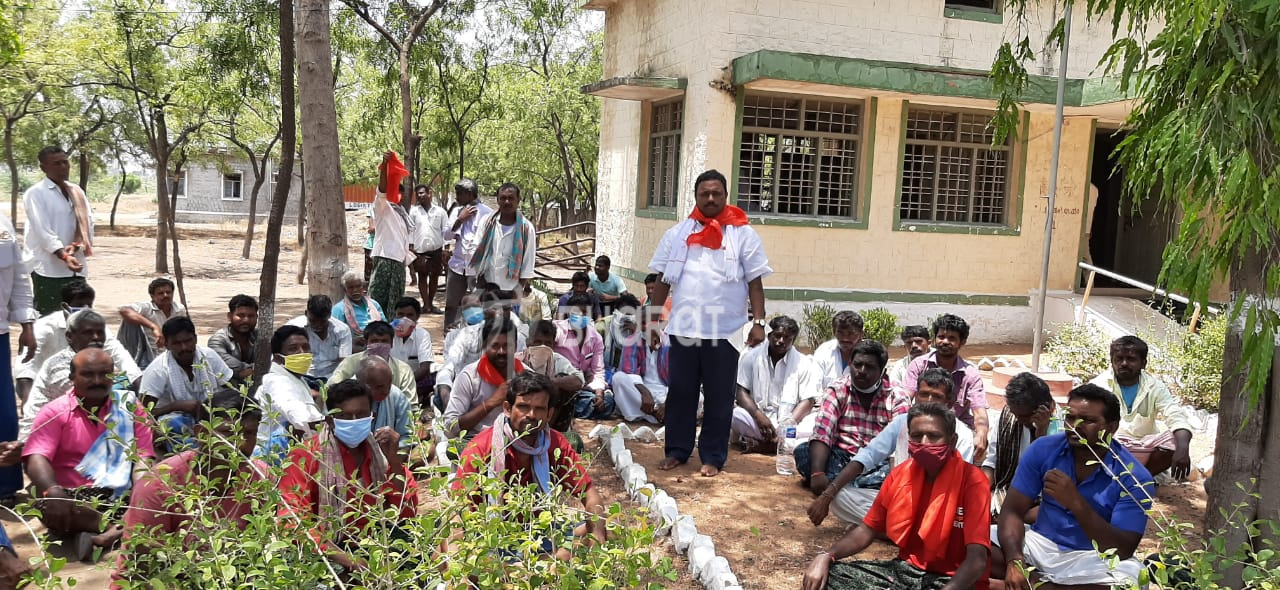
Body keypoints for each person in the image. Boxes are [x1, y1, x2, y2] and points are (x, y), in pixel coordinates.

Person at [648, 169, 771, 477]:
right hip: (684, 330)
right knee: (681, 393)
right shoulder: (677, 234)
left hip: (725, 331)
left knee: (719, 396)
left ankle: (713, 456)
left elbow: (755, 283)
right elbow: (662, 281)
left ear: (726, 196)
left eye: (717, 193)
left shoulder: (743, 234)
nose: (711, 198)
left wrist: (759, 322)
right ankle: (677, 450)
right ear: (696, 197)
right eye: (705, 194)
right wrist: (651, 322)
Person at [801, 403, 991, 590]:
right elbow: (866, 531)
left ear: (952, 441)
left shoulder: (973, 482)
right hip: (906, 571)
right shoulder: (900, 475)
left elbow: (977, 559)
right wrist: (826, 556)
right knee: (828, 578)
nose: (924, 443)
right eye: (916, 436)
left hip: (952, 580)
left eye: (933, 436)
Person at [991, 384, 1155, 590]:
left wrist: (1075, 502)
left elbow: (1122, 549)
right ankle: (1037, 584)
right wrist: (1014, 562)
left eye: (1088, 420)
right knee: (973, 543)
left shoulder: (1134, 477)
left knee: (1130, 582)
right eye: (1070, 417)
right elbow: (1012, 511)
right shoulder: (1043, 449)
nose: (1075, 426)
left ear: (1112, 427)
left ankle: (1028, 585)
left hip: (1091, 559)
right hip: (1038, 545)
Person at [111, 390, 267, 588]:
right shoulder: (160, 485)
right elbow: (141, 569)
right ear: (201, 434)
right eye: (229, 433)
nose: (241, 444)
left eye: (250, 433)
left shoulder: (261, 479)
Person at [451, 371, 607, 559]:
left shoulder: (554, 443)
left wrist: (597, 540)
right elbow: (456, 514)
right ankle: (538, 567)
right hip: (492, 539)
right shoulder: (481, 448)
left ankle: (538, 567)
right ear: (507, 409)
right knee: (453, 552)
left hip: (540, 534)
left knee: (606, 530)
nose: (531, 415)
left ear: (549, 414)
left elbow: (590, 495)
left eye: (539, 409)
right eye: (523, 407)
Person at [24, 348, 157, 561]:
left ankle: (104, 533)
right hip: (74, 498)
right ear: (71, 377)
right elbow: (37, 456)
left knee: (160, 493)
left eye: (104, 374)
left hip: (120, 494)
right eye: (87, 374)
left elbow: (143, 456)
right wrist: (53, 491)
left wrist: (141, 494)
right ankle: (118, 529)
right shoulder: (54, 411)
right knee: (46, 502)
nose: (97, 380)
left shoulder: (129, 407)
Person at [277, 379, 418, 574]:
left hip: (377, 541)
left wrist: (393, 458)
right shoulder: (307, 455)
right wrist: (349, 560)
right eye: (344, 416)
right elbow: (291, 521)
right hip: (328, 550)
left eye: (360, 415)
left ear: (372, 416)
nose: (353, 421)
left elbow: (406, 510)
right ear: (330, 420)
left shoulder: (380, 453)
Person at [807, 368, 976, 526]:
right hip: (902, 501)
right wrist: (827, 495)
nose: (929, 402)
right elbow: (868, 456)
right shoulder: (903, 422)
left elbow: (957, 485)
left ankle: (884, 529)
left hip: (939, 504)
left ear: (950, 401)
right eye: (924, 394)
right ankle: (893, 528)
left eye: (937, 396)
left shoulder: (962, 434)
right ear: (915, 396)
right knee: (840, 497)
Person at [795, 340, 910, 493]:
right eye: (857, 365)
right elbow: (823, 432)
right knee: (803, 452)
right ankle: (857, 486)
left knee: (898, 471)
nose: (861, 371)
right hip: (841, 457)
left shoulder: (897, 396)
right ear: (850, 363)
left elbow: (899, 447)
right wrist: (817, 473)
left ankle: (841, 485)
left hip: (877, 462)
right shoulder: (837, 390)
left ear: (883, 370)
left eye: (869, 367)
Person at [24, 309, 141, 438]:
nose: (96, 338)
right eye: (88, 333)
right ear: (69, 336)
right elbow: (90, 399)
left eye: (100, 333)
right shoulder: (60, 365)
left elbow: (130, 369)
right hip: (42, 434)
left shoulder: (96, 358)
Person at [1089, 335, 1193, 479]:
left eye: (1131, 359)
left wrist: (1183, 449)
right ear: (1112, 361)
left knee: (1176, 441)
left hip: (1144, 451)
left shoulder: (1155, 387)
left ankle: (1140, 479)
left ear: (1143, 363)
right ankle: (1114, 479)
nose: (1124, 363)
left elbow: (1175, 415)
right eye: (1119, 359)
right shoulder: (1099, 385)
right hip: (1109, 447)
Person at [903, 314, 990, 465]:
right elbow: (905, 398)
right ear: (935, 338)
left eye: (952, 338)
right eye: (941, 336)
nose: (945, 342)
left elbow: (979, 410)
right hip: (922, 422)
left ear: (962, 342)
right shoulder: (919, 365)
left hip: (955, 429)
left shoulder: (970, 374)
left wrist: (982, 433)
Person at [139, 317, 233, 452]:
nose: (184, 348)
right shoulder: (158, 369)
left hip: (210, 417)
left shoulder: (209, 356)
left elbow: (231, 390)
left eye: (188, 341)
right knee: (170, 422)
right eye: (177, 343)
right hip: (178, 425)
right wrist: (175, 406)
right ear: (166, 344)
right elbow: (142, 413)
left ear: (195, 338)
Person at [731, 315, 821, 451]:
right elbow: (741, 391)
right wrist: (758, 416)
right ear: (769, 335)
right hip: (759, 421)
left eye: (787, 338)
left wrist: (784, 427)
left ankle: (767, 444)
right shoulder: (751, 357)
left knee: (815, 421)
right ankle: (782, 445)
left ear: (793, 340)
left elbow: (808, 401)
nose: (781, 341)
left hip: (790, 423)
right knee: (735, 415)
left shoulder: (804, 363)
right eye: (777, 336)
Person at [22, 146, 94, 315]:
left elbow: (88, 223)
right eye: (56, 164)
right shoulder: (36, 193)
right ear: (43, 168)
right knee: (49, 319)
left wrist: (76, 246)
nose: (63, 167)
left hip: (76, 268)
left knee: (77, 319)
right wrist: (64, 255)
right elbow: (43, 231)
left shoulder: (76, 192)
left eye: (65, 162)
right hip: (48, 269)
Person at [15, 278, 96, 412]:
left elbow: (115, 353)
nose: (85, 310)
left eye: (89, 305)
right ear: (65, 306)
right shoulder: (44, 327)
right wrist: (27, 394)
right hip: (37, 385)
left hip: (74, 383)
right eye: (80, 305)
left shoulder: (95, 326)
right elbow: (25, 362)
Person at [435, 289, 527, 407]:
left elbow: (521, 369)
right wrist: (445, 393)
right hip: (467, 393)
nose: (502, 313)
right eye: (496, 308)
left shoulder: (518, 338)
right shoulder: (465, 336)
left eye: (506, 309)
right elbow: (449, 366)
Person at [0, 209, 36, 503]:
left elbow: (20, 278)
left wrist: (27, 324)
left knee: (4, 415)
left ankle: (5, 487)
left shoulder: (3, 224)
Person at [982, 372, 1055, 516]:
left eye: (1024, 416)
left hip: (1042, 502)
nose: (1018, 420)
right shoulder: (1009, 416)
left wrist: (1041, 432)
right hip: (1005, 491)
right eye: (1016, 415)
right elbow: (992, 462)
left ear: (1045, 408)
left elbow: (1046, 475)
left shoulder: (1062, 428)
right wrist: (980, 489)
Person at [441, 315, 523, 440]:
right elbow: (450, 427)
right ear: (484, 346)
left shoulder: (526, 376)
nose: (501, 351)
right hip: (474, 442)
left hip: (517, 441)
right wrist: (491, 403)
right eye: (494, 345)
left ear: (516, 346)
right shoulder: (469, 376)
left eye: (507, 346)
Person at [254, 325, 325, 460]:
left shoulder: (297, 378)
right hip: (272, 456)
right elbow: (299, 417)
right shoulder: (276, 381)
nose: (301, 352)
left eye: (305, 347)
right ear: (278, 357)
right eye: (293, 349)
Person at [367, 152, 415, 315]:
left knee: (395, 305)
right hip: (385, 259)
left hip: (399, 263)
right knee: (377, 302)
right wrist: (385, 166)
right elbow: (381, 191)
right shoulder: (383, 207)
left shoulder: (402, 214)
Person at [516, 320, 585, 432]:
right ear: (528, 342)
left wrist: (551, 382)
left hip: (549, 410)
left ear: (553, 345)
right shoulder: (518, 360)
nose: (542, 347)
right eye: (537, 342)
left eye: (547, 343)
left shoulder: (557, 360)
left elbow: (579, 380)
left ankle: (548, 430)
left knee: (564, 379)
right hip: (523, 408)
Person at [555, 293, 614, 420]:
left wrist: (599, 395)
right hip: (561, 385)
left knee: (609, 402)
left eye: (584, 312)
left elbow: (598, 371)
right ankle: (567, 409)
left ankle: (568, 410)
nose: (580, 315)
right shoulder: (557, 330)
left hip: (583, 389)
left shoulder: (596, 338)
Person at [470, 182, 536, 294]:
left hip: (511, 289)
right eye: (503, 198)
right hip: (487, 285)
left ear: (518, 200)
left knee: (508, 313)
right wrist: (479, 279)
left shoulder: (526, 228)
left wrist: (518, 290)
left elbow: (528, 261)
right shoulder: (487, 222)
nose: (507, 202)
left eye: (511, 198)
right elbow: (476, 249)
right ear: (498, 200)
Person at [442, 177, 492, 327]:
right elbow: (446, 235)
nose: (457, 197)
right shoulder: (457, 211)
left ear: (470, 194)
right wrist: (460, 220)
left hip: (477, 269)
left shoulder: (487, 213)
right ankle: (449, 334)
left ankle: (476, 336)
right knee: (452, 303)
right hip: (457, 266)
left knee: (477, 305)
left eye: (459, 194)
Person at [327, 321, 416, 396]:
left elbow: (410, 403)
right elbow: (333, 386)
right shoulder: (351, 362)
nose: (379, 345)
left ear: (392, 343)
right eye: (374, 341)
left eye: (384, 341)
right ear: (366, 343)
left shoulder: (403, 370)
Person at [118, 278, 187, 369]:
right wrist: (153, 327)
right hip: (149, 355)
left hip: (172, 353)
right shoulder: (147, 308)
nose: (165, 295)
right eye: (160, 293)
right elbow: (124, 310)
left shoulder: (179, 309)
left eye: (168, 292)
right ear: (152, 296)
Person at [610, 321, 669, 425]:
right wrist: (645, 393)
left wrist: (668, 402)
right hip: (640, 393)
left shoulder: (669, 341)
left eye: (649, 322)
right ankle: (655, 414)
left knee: (698, 398)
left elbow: (679, 377)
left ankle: (651, 414)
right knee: (618, 378)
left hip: (665, 391)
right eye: (642, 323)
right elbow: (629, 372)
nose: (645, 326)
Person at [355, 356, 413, 457]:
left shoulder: (397, 397)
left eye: (389, 385)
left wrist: (394, 442)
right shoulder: (346, 398)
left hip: (388, 456)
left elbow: (407, 438)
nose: (386, 391)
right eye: (379, 387)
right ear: (362, 384)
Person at [286, 294, 353, 380]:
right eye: (313, 321)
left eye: (322, 322)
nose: (317, 325)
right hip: (302, 377)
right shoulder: (293, 329)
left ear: (329, 316)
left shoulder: (342, 330)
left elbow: (344, 363)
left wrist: (334, 383)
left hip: (332, 377)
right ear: (306, 313)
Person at [408, 183, 449, 314]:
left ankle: (431, 304)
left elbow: (446, 230)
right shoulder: (414, 212)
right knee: (422, 277)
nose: (420, 196)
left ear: (429, 193)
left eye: (422, 193)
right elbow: (410, 230)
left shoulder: (440, 211)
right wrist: (410, 246)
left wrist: (446, 248)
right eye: (418, 194)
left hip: (436, 250)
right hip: (420, 251)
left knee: (435, 277)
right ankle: (425, 305)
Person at [206, 294, 259, 384]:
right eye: (240, 315)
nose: (246, 320)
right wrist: (260, 369)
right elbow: (236, 369)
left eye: (251, 316)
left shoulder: (261, 336)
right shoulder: (217, 341)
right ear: (229, 316)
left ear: (257, 317)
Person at [390, 297, 434, 395]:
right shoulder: (386, 332)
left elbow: (425, 367)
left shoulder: (422, 335)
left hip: (414, 380)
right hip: (388, 380)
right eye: (400, 314)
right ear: (395, 315)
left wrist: (405, 382)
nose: (404, 319)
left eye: (410, 315)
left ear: (417, 317)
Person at [332, 271, 386, 350]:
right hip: (355, 346)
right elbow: (336, 335)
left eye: (358, 286)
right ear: (344, 289)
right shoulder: (339, 309)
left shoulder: (374, 304)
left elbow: (384, 324)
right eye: (351, 287)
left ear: (363, 287)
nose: (355, 290)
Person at [811, 311, 863, 390]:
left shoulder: (869, 355)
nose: (845, 338)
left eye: (851, 333)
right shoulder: (824, 351)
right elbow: (814, 386)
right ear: (834, 332)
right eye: (840, 333)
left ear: (861, 334)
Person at [887, 325, 931, 393]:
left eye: (918, 341)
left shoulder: (940, 359)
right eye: (909, 343)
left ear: (929, 343)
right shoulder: (900, 366)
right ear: (904, 346)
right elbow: (894, 389)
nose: (914, 346)